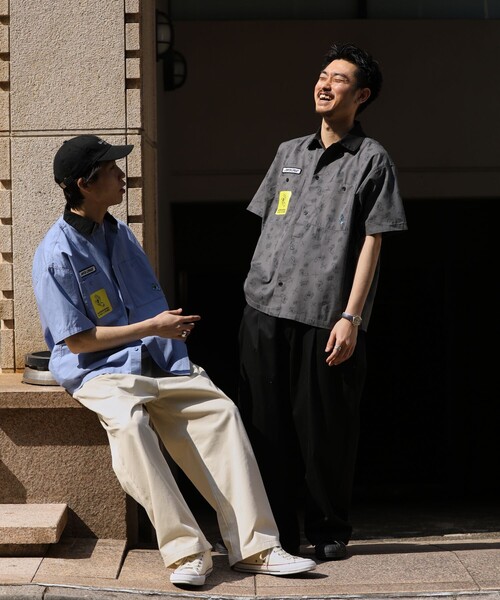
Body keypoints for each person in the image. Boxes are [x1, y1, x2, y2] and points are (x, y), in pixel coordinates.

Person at [32, 134, 316, 587]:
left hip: (156, 359)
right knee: (131, 428)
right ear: (84, 184)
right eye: (112, 170)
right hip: (98, 372)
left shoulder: (120, 233)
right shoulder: (55, 253)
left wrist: (162, 334)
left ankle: (256, 547)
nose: (123, 176)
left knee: (222, 412)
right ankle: (186, 551)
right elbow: (80, 342)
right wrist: (153, 328)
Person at [238, 43, 408, 561]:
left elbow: (374, 240)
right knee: (264, 428)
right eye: (322, 74)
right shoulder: (289, 152)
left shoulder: (372, 159)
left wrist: (352, 316)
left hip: (325, 314)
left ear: (362, 95)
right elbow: (267, 222)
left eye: (339, 79)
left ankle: (328, 529)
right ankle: (275, 534)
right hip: (264, 307)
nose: (324, 84)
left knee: (324, 431)